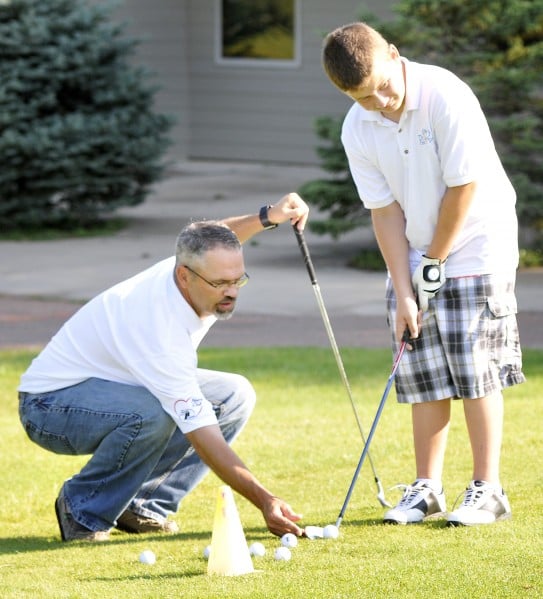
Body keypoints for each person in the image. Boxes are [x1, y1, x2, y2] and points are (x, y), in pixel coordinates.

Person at [321, 22, 525, 526]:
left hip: (478, 244)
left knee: (475, 368)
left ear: (394, 54)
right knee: (424, 370)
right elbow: (385, 210)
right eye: (363, 97)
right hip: (416, 250)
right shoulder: (357, 127)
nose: (380, 102)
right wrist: (405, 286)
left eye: (383, 87)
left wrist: (433, 262)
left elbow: (464, 188)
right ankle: (427, 489)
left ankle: (487, 490)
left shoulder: (446, 96)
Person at [18, 195, 308, 541]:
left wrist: (267, 217)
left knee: (233, 395)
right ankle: (83, 508)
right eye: (220, 284)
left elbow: (213, 237)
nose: (231, 292)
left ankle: (143, 504)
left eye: (238, 280)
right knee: (152, 413)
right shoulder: (159, 330)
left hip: (114, 386)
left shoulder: (192, 262)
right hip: (48, 407)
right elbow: (203, 435)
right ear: (185, 276)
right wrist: (265, 500)